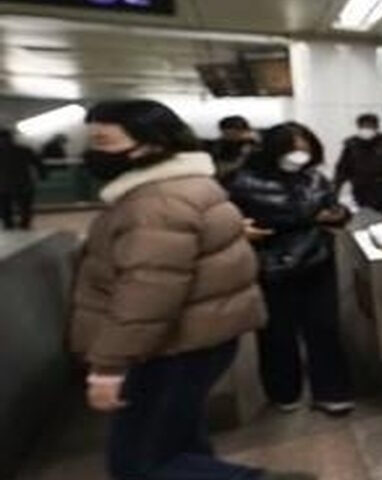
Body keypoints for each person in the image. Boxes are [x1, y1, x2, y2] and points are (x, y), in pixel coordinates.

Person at [70, 100, 314, 480]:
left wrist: (109, 366)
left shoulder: (155, 203)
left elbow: (148, 290)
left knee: (138, 465)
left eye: (104, 141)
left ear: (151, 144)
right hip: (195, 336)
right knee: (181, 444)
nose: (93, 151)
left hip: (169, 346)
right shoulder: (188, 185)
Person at [230, 122, 355, 417]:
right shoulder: (242, 181)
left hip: (316, 261)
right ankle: (284, 391)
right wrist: (312, 217)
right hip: (272, 265)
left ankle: (331, 391)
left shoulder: (314, 178)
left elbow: (334, 209)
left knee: (324, 328)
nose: (299, 155)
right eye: (293, 149)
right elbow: (257, 217)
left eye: (305, 149)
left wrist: (339, 214)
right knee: (277, 333)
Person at [0, 129, 44, 230]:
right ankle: (24, 225)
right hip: (23, 184)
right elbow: (38, 164)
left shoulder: (25, 150)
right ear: (11, 138)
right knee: (24, 207)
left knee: (5, 208)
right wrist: (42, 176)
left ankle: (8, 225)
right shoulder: (24, 150)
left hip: (3, 186)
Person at [210, 115, 259, 184]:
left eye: (230, 134)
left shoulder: (253, 145)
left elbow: (239, 163)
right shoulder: (221, 144)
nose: (225, 136)